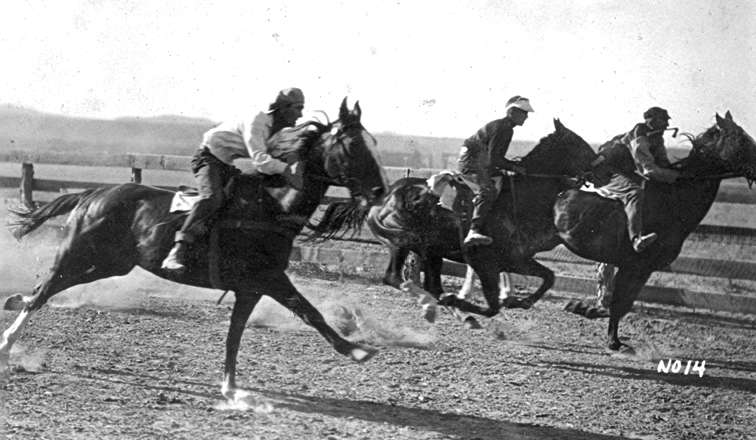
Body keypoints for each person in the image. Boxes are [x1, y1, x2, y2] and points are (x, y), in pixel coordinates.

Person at [161, 87, 306, 271]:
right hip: (208, 158)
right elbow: (261, 161)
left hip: (225, 163)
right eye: (298, 108)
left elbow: (277, 158)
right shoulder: (257, 120)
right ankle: (176, 252)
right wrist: (287, 168)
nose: (301, 115)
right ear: (284, 109)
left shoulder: (278, 133)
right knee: (211, 198)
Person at [599, 106, 680, 252]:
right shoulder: (639, 135)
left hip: (624, 172)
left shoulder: (656, 137)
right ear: (651, 121)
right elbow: (648, 169)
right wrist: (678, 176)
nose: (667, 125)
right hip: (608, 173)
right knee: (634, 193)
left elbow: (662, 163)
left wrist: (676, 171)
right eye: (664, 121)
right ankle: (636, 238)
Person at [456, 95, 534, 246]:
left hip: (479, 164)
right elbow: (494, 159)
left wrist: (510, 167)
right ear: (512, 112)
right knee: (488, 191)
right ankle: (474, 230)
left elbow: (494, 159)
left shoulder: (505, 128)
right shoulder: (502, 128)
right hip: (471, 165)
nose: (526, 117)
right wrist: (514, 167)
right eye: (524, 113)